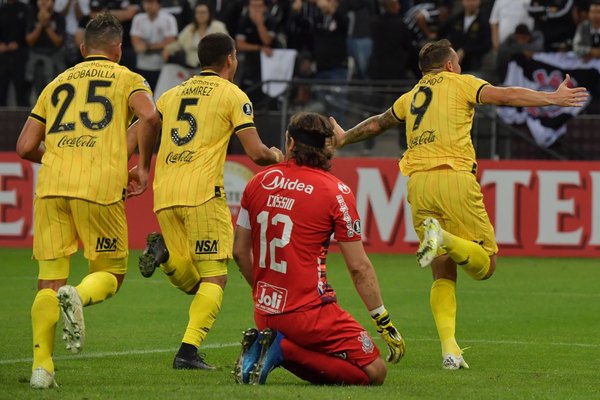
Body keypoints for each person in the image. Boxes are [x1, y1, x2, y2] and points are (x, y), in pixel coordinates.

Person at [330, 39, 588, 370]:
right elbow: (506, 95)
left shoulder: (410, 97)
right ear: (450, 66)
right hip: (453, 176)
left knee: (442, 269)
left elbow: (379, 122)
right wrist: (552, 97)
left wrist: (343, 138)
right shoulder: (461, 83)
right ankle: (445, 239)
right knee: (487, 266)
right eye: (458, 64)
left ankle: (450, 351)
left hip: (418, 184)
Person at [15, 12, 160, 389]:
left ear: (82, 49)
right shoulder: (128, 77)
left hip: (51, 188)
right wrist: (143, 168)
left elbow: (25, 145)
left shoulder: (56, 82)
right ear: (119, 49)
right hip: (99, 185)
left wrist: (58, 157)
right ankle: (77, 296)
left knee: (48, 282)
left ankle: (42, 369)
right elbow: (150, 116)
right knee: (112, 274)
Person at [137, 32, 283, 371]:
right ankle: (187, 353)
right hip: (202, 193)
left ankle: (168, 258)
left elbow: (145, 124)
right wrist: (276, 155)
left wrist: (142, 165)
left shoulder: (171, 94)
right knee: (215, 277)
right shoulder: (233, 95)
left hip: (166, 192)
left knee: (193, 282)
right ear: (231, 58)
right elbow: (256, 152)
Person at [231, 112, 406, 385]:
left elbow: (240, 252)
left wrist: (265, 293)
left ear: (290, 144)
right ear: (328, 147)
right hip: (310, 315)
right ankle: (282, 349)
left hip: (264, 313)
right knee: (375, 371)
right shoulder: (335, 191)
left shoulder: (258, 181)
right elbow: (359, 267)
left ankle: (271, 346)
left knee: (314, 348)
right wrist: (381, 318)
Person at [162, 1, 228, 69]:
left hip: (213, 69)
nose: (201, 15)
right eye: (198, 13)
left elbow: (227, 45)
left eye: (203, 12)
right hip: (192, 68)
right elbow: (178, 43)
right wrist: (168, 49)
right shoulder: (190, 28)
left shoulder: (218, 27)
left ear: (209, 14)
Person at [130, 0, 178, 90]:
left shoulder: (168, 19)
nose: (148, 6)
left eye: (151, 3)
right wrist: (159, 45)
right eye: (146, 3)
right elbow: (136, 44)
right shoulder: (138, 18)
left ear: (159, 4)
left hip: (161, 66)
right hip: (142, 64)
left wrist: (147, 47)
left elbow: (170, 41)